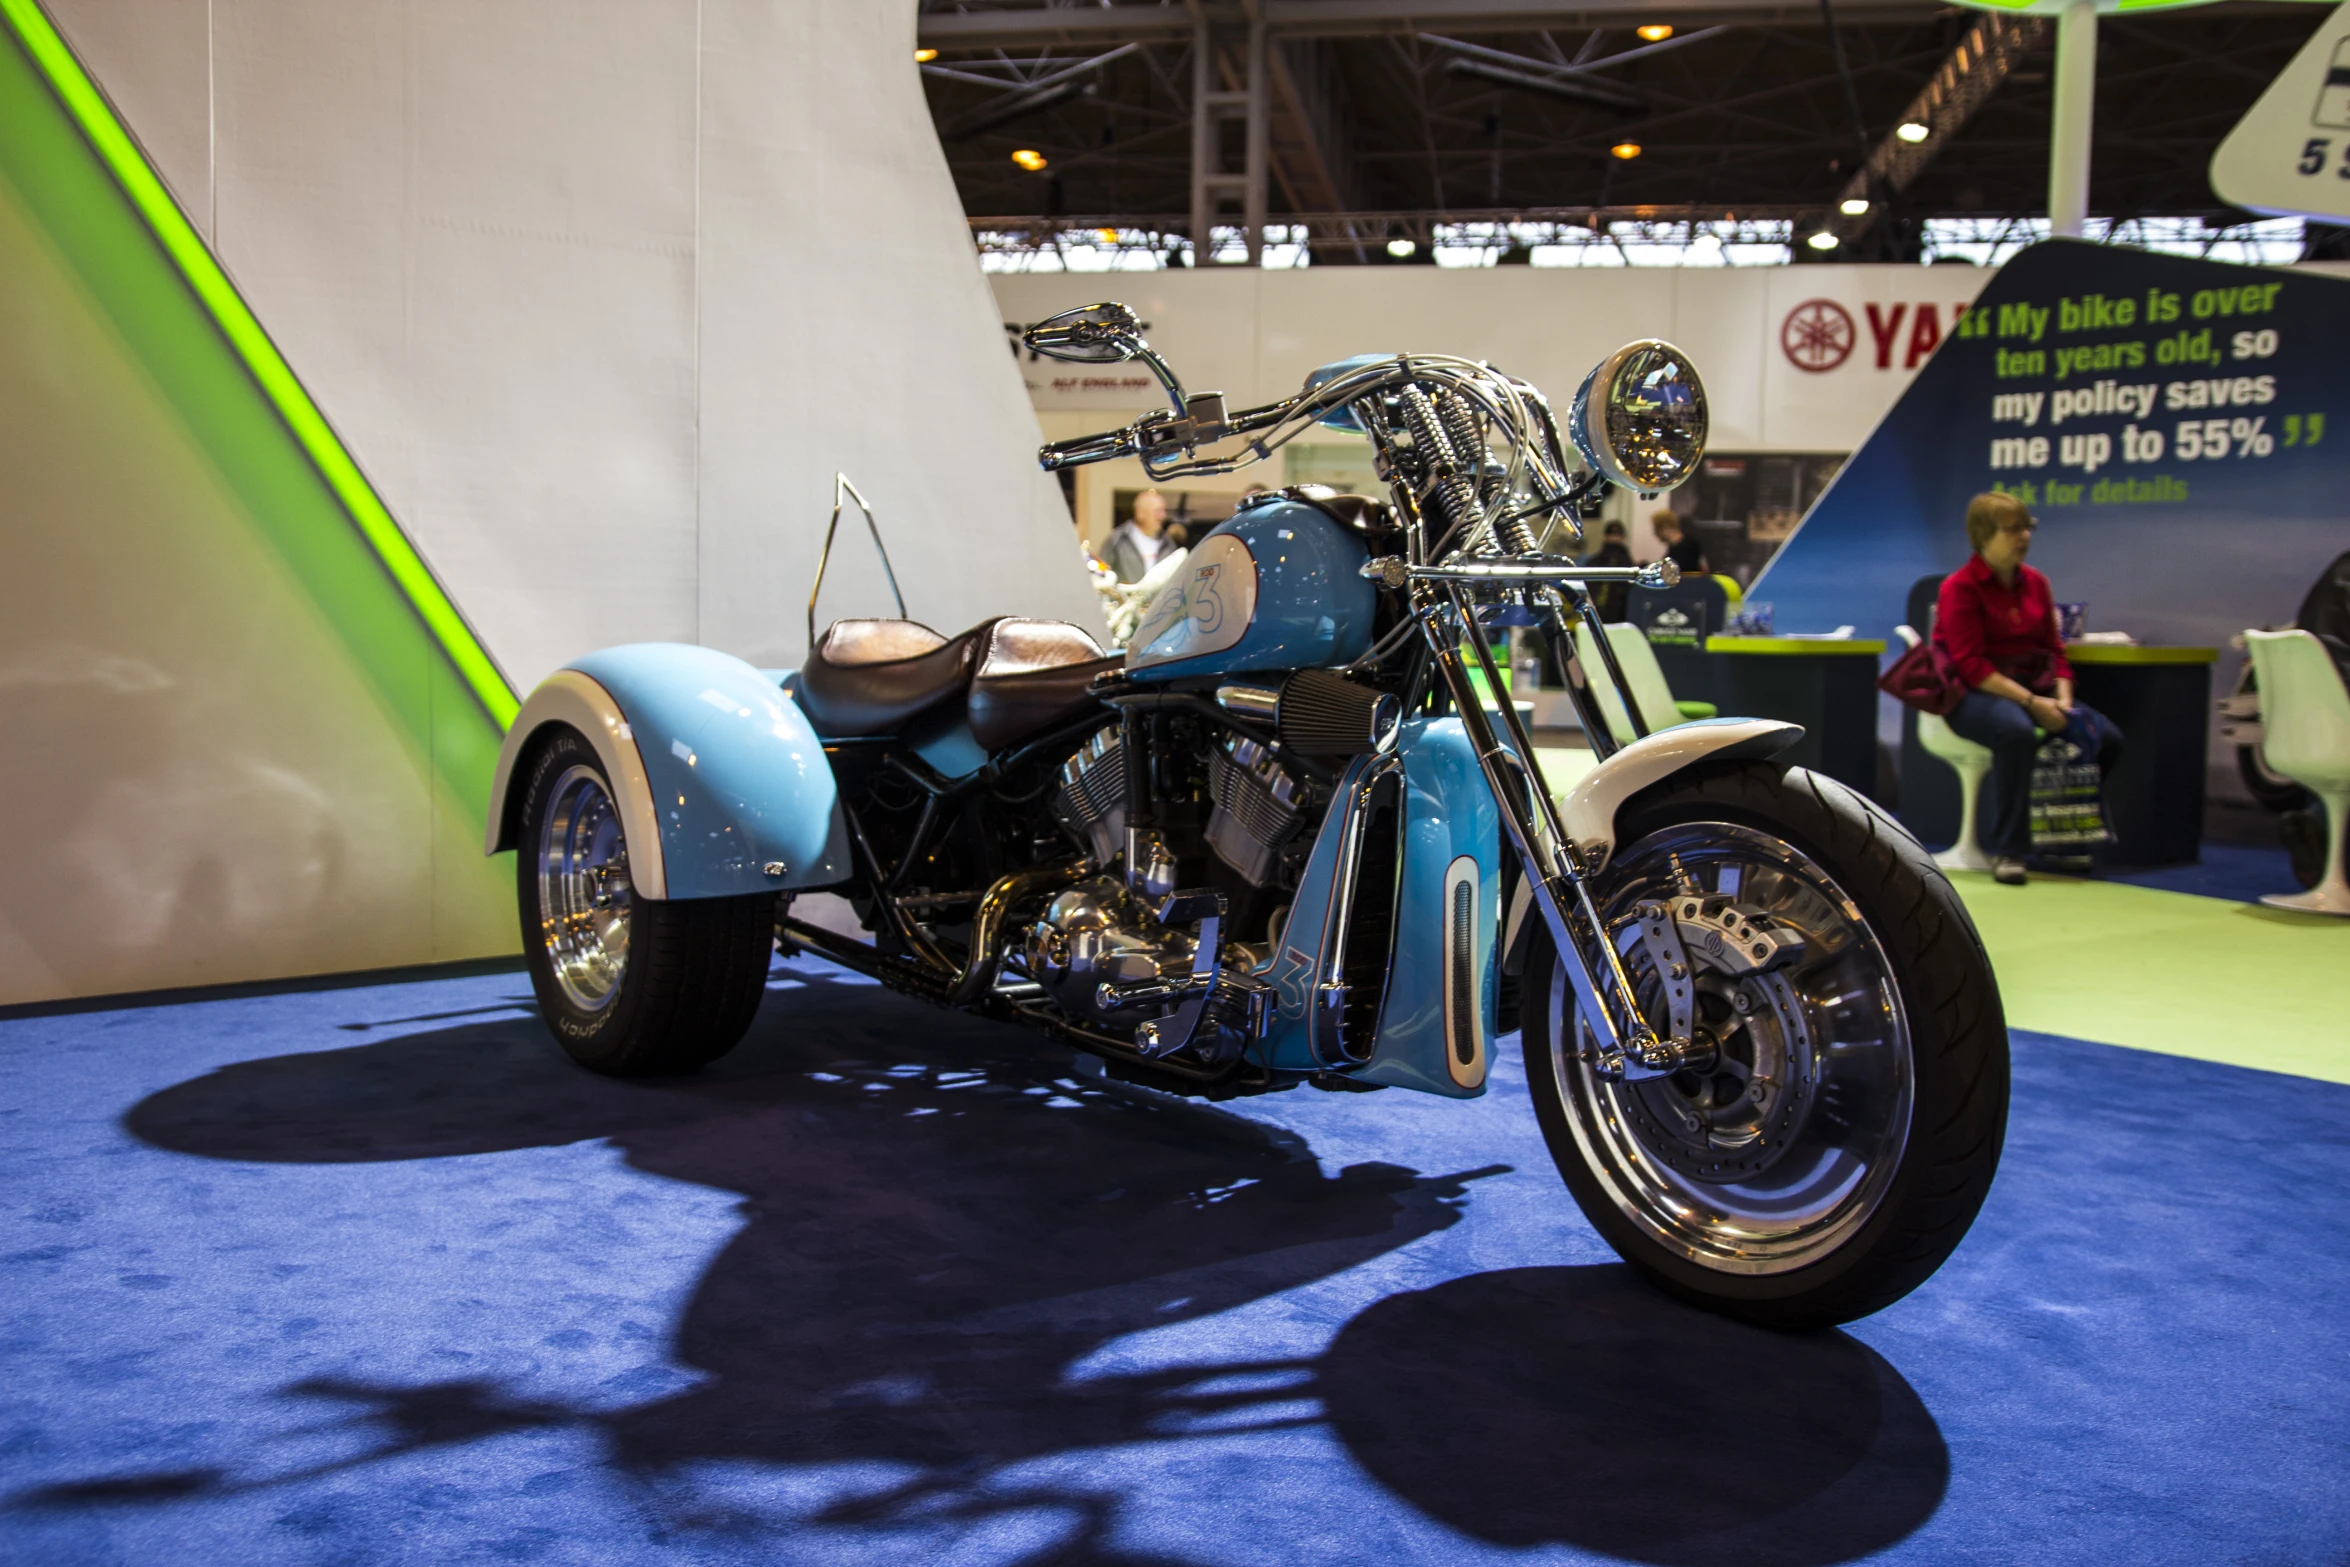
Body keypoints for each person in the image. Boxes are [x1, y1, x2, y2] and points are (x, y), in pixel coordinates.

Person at [1935, 492, 2123, 886]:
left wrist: (2064, 702)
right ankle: (2010, 848)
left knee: (2104, 737)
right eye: (2012, 529)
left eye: (2027, 527)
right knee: (2016, 732)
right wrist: (2033, 704)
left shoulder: (2037, 583)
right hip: (1973, 695)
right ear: (1983, 535)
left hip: (2032, 691)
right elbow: (1971, 667)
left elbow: (2056, 651)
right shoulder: (1960, 588)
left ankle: (2063, 840)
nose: (2023, 536)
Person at [1103, 489, 1176, 583]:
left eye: (1164, 511)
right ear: (1140, 514)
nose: (1163, 516)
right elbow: (1102, 575)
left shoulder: (1168, 544)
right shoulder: (1118, 539)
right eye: (1158, 511)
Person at [1583, 520, 1634, 621]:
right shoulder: (1596, 561)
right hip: (1599, 611)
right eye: (1612, 535)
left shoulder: (1624, 560)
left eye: (1617, 535)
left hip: (1619, 613)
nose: (1614, 538)